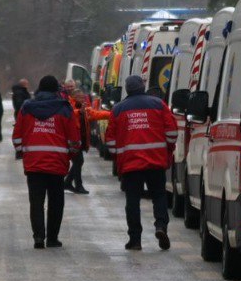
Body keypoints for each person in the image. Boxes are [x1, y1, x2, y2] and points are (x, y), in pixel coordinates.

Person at [106, 75, 178, 251]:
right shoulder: (159, 104)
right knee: (159, 195)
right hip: (156, 161)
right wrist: (166, 148)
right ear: (142, 87)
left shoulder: (118, 109)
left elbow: (110, 142)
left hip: (131, 164)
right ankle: (161, 226)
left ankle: (135, 240)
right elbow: (172, 133)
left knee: (132, 200)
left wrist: (119, 157)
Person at [13, 76, 79, 249]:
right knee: (56, 202)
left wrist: (21, 152)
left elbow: (17, 135)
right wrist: (70, 155)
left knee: (36, 202)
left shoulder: (27, 107)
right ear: (56, 90)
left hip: (34, 163)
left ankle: (38, 237)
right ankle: (52, 238)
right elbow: (74, 139)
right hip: (57, 164)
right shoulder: (64, 108)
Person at [62, 81, 90, 195]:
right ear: (73, 97)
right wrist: (80, 111)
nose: (82, 99)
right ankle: (77, 185)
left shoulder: (83, 106)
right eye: (79, 97)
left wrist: (111, 114)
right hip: (73, 138)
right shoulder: (70, 104)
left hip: (79, 138)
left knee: (78, 161)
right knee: (78, 161)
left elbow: (94, 113)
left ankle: (68, 183)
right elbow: (71, 113)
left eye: (82, 97)